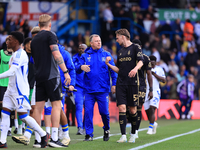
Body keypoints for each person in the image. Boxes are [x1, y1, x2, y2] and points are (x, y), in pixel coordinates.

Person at [0, 31, 49, 148]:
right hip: (10, 90)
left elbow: (12, 71)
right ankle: (2, 141)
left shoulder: (20, 55)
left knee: (24, 117)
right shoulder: (14, 54)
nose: (7, 42)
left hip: (19, 91)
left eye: (9, 39)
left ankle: (43, 134)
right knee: (5, 113)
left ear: (16, 41)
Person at [31, 14, 71, 147]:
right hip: (52, 76)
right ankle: (54, 138)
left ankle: (38, 140)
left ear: (39, 23)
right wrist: (65, 72)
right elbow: (56, 53)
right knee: (57, 105)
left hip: (39, 76)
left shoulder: (34, 40)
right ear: (50, 24)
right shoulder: (50, 35)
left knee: (38, 108)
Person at [105, 29, 144, 143]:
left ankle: (133, 133)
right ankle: (123, 135)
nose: (116, 40)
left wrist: (135, 69)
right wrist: (109, 64)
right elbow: (119, 70)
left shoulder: (136, 47)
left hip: (132, 83)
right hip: (121, 83)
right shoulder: (120, 51)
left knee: (132, 110)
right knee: (122, 108)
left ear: (123, 37)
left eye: (117, 38)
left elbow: (141, 61)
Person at [79, 34, 117, 141]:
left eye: (99, 40)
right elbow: (76, 68)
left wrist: (114, 84)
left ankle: (106, 129)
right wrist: (81, 66)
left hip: (103, 90)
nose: (99, 42)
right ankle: (89, 134)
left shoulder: (107, 55)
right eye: (96, 41)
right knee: (88, 112)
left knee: (104, 112)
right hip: (89, 90)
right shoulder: (85, 56)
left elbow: (113, 71)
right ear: (91, 43)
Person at [131, 39, 153, 138]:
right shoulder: (128, 57)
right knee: (130, 108)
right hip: (130, 85)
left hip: (141, 86)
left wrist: (151, 89)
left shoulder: (145, 58)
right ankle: (133, 128)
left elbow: (149, 74)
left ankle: (135, 131)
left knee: (139, 107)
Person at [143, 55, 166, 135]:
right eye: (150, 64)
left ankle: (150, 128)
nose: (152, 66)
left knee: (152, 108)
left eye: (153, 64)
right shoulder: (145, 68)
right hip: (146, 91)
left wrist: (154, 74)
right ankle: (153, 123)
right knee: (147, 111)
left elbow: (163, 80)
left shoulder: (159, 69)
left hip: (155, 91)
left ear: (156, 63)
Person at [0, 36, 14, 136]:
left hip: (11, 83)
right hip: (1, 83)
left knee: (11, 106)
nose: (9, 42)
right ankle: (2, 125)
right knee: (1, 104)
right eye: (8, 40)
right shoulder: (0, 53)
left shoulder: (15, 55)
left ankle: (10, 127)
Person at [73, 43, 87, 135]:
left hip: (89, 87)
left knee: (88, 108)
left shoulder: (90, 58)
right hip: (78, 87)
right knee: (79, 107)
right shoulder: (74, 58)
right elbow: (73, 69)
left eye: (83, 48)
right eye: (79, 48)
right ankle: (80, 127)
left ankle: (86, 126)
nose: (81, 49)